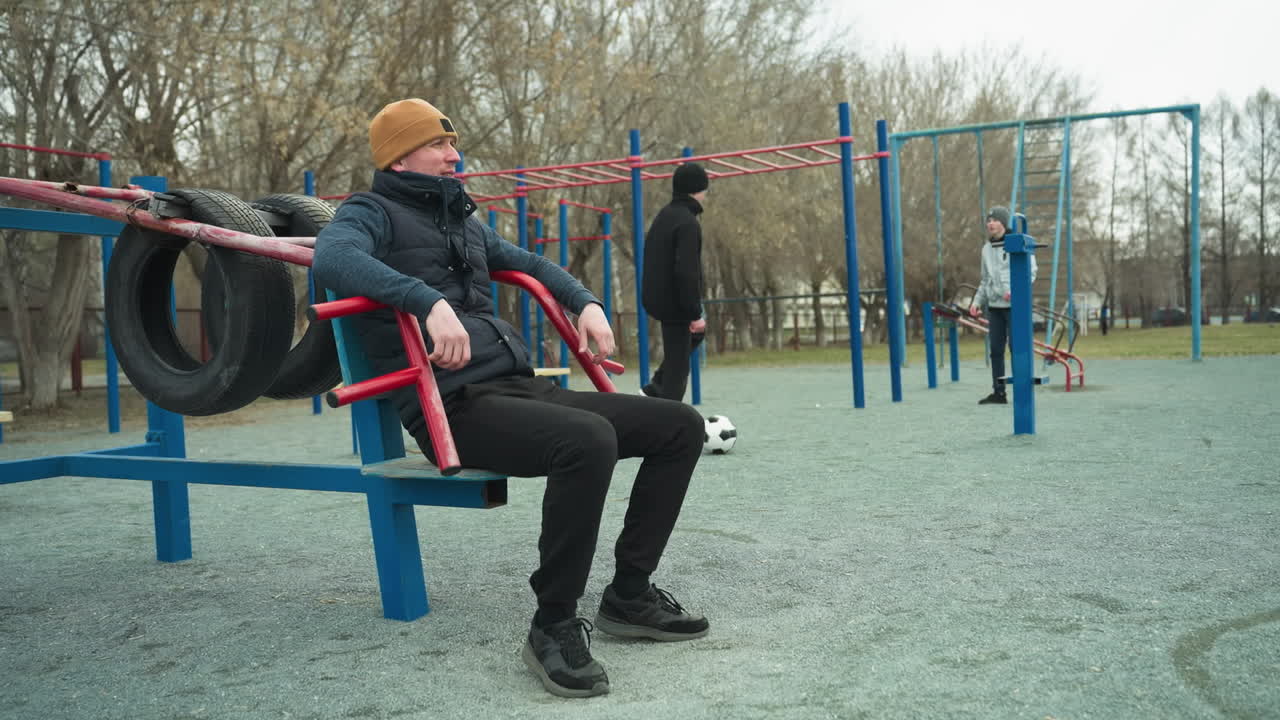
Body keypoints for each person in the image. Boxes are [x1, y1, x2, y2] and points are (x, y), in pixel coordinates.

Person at [312, 99, 709, 699]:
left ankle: (629, 594)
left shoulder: (462, 221)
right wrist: (426, 301)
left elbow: (530, 262)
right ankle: (552, 624)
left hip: (517, 387)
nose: (454, 155)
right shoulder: (371, 213)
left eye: (453, 144)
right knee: (588, 440)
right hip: (451, 406)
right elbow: (332, 257)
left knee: (679, 424)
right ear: (399, 158)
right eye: (439, 145)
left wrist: (585, 302)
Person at [640, 162, 709, 401]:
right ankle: (668, 414)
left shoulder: (665, 215)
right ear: (698, 189)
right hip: (676, 303)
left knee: (690, 342)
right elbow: (687, 272)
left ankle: (655, 387)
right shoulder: (688, 223)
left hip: (658, 298)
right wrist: (693, 312)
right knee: (678, 372)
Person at [969, 206, 1037, 404]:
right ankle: (999, 393)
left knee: (1017, 348)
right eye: (988, 220)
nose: (990, 223)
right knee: (996, 350)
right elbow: (985, 280)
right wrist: (976, 302)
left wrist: (1015, 292)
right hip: (995, 307)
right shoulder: (986, 249)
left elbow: (1031, 272)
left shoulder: (1017, 243)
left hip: (1014, 306)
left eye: (995, 220)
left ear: (1004, 223)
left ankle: (1022, 393)